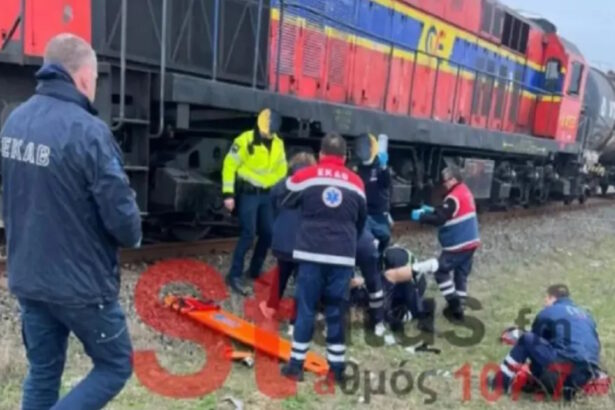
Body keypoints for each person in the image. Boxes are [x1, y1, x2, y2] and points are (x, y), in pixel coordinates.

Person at [1, 33, 141, 409]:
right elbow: (125, 224)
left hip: (28, 277)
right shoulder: (90, 132)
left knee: (43, 372)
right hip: (81, 286)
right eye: (94, 80)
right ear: (81, 77)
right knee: (115, 365)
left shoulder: (14, 121)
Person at [280, 133, 366, 383]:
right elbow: (361, 221)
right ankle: (336, 370)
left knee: (305, 308)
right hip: (342, 256)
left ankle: (295, 366)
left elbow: (286, 200)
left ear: (321, 154)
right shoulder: (357, 183)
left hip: (311, 253)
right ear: (345, 157)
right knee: (336, 311)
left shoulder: (306, 176)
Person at [491, 284, 602, 399]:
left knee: (527, 339)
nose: (545, 302)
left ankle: (500, 383)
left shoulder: (549, 312)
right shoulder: (587, 315)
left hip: (561, 372)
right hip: (585, 377)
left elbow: (535, 340)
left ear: (552, 297)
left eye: (546, 299)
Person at [222, 108, 288, 295]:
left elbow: (282, 169)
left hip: (266, 195)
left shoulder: (278, 144)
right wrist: (228, 194)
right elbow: (229, 165)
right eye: (266, 131)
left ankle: (254, 271)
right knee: (248, 234)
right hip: (249, 194)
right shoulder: (244, 140)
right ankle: (234, 275)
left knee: (268, 233)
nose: (268, 135)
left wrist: (269, 184)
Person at [411, 163, 480, 322]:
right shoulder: (464, 191)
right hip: (471, 242)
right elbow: (448, 211)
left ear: (454, 180)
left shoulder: (453, 197)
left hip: (458, 244)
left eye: (446, 181)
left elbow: (441, 218)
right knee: (461, 275)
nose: (444, 184)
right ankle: (460, 309)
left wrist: (422, 217)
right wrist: (432, 210)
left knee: (440, 271)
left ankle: (455, 307)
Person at [259, 151, 317, 322]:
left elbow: (272, 204)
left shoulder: (281, 184)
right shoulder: (314, 187)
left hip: (281, 240)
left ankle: (271, 307)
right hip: (304, 241)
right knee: (302, 279)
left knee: (281, 272)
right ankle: (296, 316)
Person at [383, 247, 439, 333]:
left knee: (408, 308)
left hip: (413, 283)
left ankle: (425, 310)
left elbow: (403, 280)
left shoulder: (393, 257)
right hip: (401, 280)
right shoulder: (382, 257)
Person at [353, 133, 392, 254]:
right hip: (365, 212)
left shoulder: (379, 166)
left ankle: (380, 258)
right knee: (365, 241)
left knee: (384, 237)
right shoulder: (358, 168)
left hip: (379, 212)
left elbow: (386, 183)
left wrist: (384, 167)